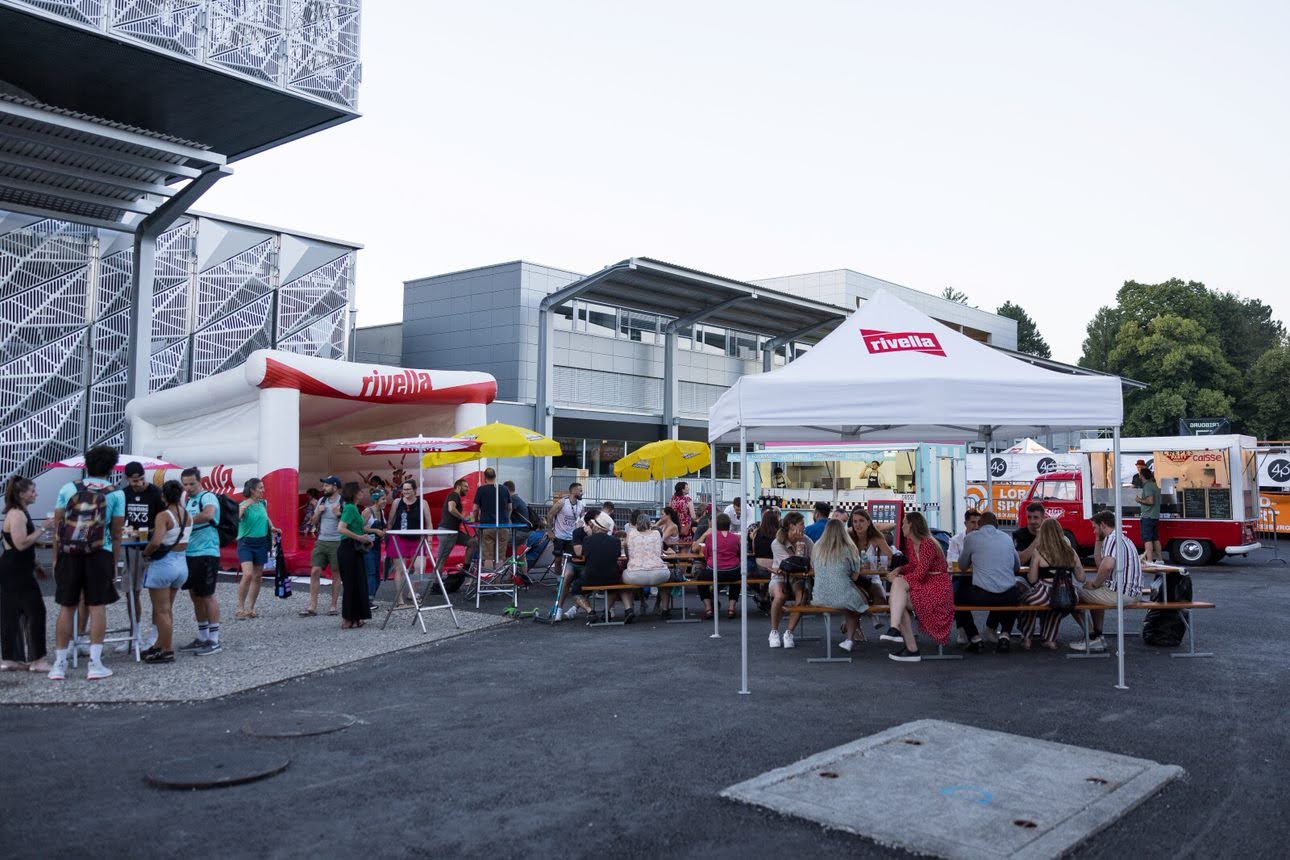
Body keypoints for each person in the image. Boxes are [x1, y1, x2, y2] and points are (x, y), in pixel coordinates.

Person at [48, 445, 125, 680]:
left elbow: (59, 527)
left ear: (86, 464)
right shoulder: (116, 494)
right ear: (111, 468)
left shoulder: (68, 488)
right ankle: (95, 664)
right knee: (97, 605)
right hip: (100, 551)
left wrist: (55, 558)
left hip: (69, 553)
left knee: (66, 606)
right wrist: (114, 562)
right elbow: (117, 531)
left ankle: (59, 665)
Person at [880, 511, 954, 663]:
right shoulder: (911, 543)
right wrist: (899, 570)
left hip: (937, 588)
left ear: (911, 525)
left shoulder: (927, 543)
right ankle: (908, 645)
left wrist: (898, 577)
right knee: (897, 599)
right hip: (926, 585)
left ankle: (898, 633)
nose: (901, 526)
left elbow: (919, 574)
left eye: (903, 523)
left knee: (897, 591)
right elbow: (913, 566)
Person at [1070, 510, 1143, 653]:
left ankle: (1092, 638)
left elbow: (1107, 566)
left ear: (1102, 524)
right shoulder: (1122, 538)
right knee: (1094, 592)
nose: (1093, 531)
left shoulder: (1112, 539)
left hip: (1122, 594)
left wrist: (1095, 583)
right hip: (1131, 591)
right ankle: (1098, 636)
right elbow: (1100, 564)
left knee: (1071, 595)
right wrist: (1098, 539)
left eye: (1094, 527)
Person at [1, 477, 52, 673]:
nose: (35, 494)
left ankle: (11, 658)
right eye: (32, 491)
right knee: (36, 612)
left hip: (15, 569)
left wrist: (36, 563)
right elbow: (21, 544)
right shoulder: (18, 515)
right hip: (15, 571)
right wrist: (44, 527)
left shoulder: (20, 513)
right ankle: (37, 660)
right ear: (21, 494)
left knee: (12, 613)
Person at [954, 512, 1021, 653]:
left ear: (979, 524)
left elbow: (962, 566)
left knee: (958, 596)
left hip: (981, 595)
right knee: (1012, 592)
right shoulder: (1006, 538)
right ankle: (1005, 635)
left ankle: (975, 638)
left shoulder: (971, 538)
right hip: (1008, 596)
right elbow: (1017, 567)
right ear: (997, 525)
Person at [139, 480, 190, 664]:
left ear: (163, 496)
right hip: (181, 564)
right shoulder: (187, 515)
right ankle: (160, 644)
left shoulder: (164, 515)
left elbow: (156, 541)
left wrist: (145, 554)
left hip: (164, 565)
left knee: (161, 611)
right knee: (167, 610)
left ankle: (166, 649)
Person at [119, 461, 164, 651]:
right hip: (131, 545)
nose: (137, 483)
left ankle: (154, 633)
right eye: (134, 481)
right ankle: (134, 633)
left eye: (140, 480)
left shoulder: (155, 493)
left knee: (156, 592)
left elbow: (164, 519)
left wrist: (153, 531)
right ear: (127, 479)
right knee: (131, 591)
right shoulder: (124, 493)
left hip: (153, 547)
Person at [179, 468, 222, 656]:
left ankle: (214, 639)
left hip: (207, 552)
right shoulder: (188, 499)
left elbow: (208, 515)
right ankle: (202, 635)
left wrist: (184, 521)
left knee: (207, 595)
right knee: (195, 595)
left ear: (200, 481)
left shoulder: (208, 497)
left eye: (191, 484)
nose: (188, 488)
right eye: (185, 484)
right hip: (190, 553)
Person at [1023, 518, 1083, 650]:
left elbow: (1032, 579)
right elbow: (1081, 577)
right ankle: (1050, 639)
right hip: (1069, 595)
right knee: (1056, 605)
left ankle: (1027, 637)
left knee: (1026, 602)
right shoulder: (1071, 552)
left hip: (1044, 593)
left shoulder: (1039, 552)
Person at [809, 519, 867, 652]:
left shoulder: (817, 546)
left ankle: (848, 630)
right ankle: (849, 639)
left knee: (851, 599)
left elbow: (814, 570)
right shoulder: (849, 547)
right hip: (843, 597)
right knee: (860, 601)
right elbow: (855, 576)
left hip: (819, 597)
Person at [567, 512, 630, 622]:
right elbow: (617, 556)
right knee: (614, 587)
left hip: (590, 577)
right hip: (611, 577)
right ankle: (607, 610)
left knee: (575, 590)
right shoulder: (615, 541)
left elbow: (583, 555)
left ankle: (590, 610)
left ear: (596, 526)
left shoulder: (587, 540)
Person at [235, 477, 279, 620]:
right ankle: (240, 608)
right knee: (247, 574)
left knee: (258, 576)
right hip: (246, 543)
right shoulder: (243, 505)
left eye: (263, 487)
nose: (263, 490)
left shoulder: (262, 503)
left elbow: (266, 518)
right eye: (260, 488)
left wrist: (272, 527)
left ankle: (251, 608)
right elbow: (237, 520)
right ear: (252, 490)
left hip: (261, 543)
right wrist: (240, 512)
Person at [300, 476, 343, 617]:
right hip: (321, 540)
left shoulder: (342, 501)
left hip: (337, 541)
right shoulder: (321, 500)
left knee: (336, 573)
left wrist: (338, 515)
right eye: (324, 485)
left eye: (326, 485)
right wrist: (318, 512)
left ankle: (333, 605)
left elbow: (349, 522)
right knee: (315, 571)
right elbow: (313, 521)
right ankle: (312, 606)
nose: (323, 488)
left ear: (335, 487)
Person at [768, 511, 812, 648]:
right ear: (791, 526)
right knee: (780, 595)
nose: (804, 527)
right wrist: (800, 550)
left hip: (798, 577)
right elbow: (788, 566)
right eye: (802, 524)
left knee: (802, 596)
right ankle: (774, 631)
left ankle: (789, 632)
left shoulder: (807, 540)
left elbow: (815, 559)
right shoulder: (777, 542)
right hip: (780, 576)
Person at [387, 479, 431, 606]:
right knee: (400, 569)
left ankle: (412, 591)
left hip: (417, 538)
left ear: (414, 490)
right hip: (399, 538)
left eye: (408, 489)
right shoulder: (397, 502)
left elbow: (429, 522)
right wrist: (388, 537)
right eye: (404, 489)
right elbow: (391, 520)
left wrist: (430, 539)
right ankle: (399, 598)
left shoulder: (423, 503)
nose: (405, 492)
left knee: (420, 568)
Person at [336, 482, 375, 629]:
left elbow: (355, 528)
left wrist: (365, 536)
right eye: (360, 491)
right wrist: (360, 538)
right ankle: (348, 617)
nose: (362, 493)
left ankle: (355, 616)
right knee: (352, 584)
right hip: (348, 549)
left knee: (357, 583)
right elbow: (341, 528)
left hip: (354, 549)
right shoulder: (351, 508)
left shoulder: (353, 508)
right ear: (355, 493)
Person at [693, 513, 743, 620]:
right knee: (737, 581)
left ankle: (708, 608)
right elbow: (739, 554)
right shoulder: (735, 538)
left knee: (701, 580)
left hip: (714, 570)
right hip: (733, 570)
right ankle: (731, 608)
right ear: (729, 524)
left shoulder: (711, 537)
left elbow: (707, 554)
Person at [847, 506, 892, 606]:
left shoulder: (876, 537)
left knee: (880, 601)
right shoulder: (848, 537)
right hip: (853, 579)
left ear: (868, 522)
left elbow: (891, 557)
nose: (858, 524)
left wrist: (881, 565)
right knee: (857, 602)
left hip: (872, 578)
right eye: (855, 521)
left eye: (861, 521)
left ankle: (876, 622)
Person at [472, 468, 512, 571]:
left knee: (488, 556)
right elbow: (510, 507)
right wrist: (507, 518)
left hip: (487, 527)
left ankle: (489, 580)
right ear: (495, 476)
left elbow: (475, 508)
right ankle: (498, 580)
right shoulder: (504, 489)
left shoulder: (481, 490)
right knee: (501, 556)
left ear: (485, 477)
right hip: (503, 526)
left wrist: (475, 518)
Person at [623, 512, 670, 594]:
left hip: (636, 574)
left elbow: (627, 553)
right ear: (649, 523)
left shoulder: (631, 534)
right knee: (668, 580)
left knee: (622, 577)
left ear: (637, 523)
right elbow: (660, 553)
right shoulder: (657, 533)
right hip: (659, 573)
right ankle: (663, 605)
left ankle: (629, 606)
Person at [551, 482, 585, 579]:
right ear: (574, 491)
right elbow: (550, 514)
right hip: (559, 536)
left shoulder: (581, 505)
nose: (583, 493)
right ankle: (558, 579)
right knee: (558, 559)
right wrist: (549, 531)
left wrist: (582, 524)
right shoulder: (562, 502)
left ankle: (567, 579)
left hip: (572, 537)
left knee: (571, 560)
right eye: (581, 490)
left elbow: (583, 518)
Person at [435, 477, 470, 574]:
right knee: (441, 560)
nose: (468, 489)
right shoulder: (454, 494)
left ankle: (465, 570)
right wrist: (463, 518)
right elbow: (451, 508)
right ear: (458, 487)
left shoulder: (456, 496)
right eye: (465, 487)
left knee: (473, 543)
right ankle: (435, 584)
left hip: (454, 532)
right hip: (447, 532)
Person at [362, 489, 388, 607]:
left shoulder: (382, 512)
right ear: (376, 500)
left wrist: (383, 532)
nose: (385, 501)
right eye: (383, 499)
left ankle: (370, 598)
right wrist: (375, 530)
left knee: (377, 573)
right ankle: (367, 600)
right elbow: (359, 527)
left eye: (385, 499)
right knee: (371, 572)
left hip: (377, 545)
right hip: (367, 546)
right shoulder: (368, 511)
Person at [1136, 467, 1162, 564]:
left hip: (1148, 516)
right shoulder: (1154, 485)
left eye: (1139, 474)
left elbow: (1150, 501)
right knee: (1155, 538)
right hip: (1154, 516)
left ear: (1142, 476)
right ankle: (1159, 560)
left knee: (1147, 539)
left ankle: (1149, 560)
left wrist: (1139, 500)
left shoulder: (1147, 486)